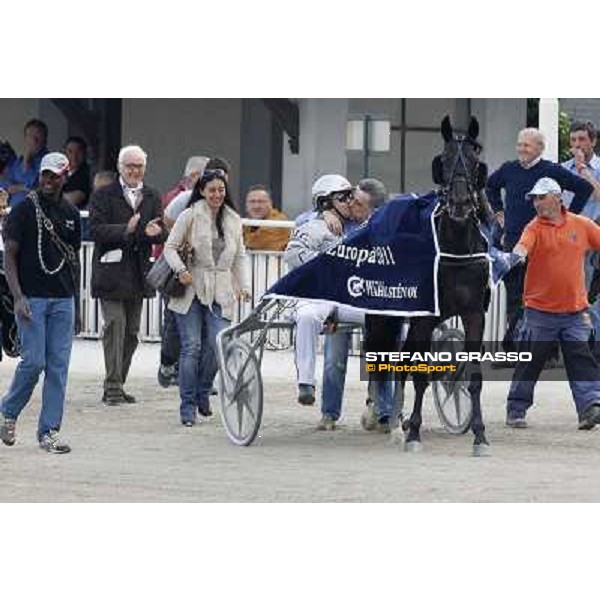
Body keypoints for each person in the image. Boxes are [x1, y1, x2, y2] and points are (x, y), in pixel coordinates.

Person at [0, 152, 81, 453]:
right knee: (33, 362)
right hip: (31, 298)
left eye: (55, 175)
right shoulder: (23, 210)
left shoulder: (71, 214)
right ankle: (8, 410)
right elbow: (9, 255)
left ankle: (49, 431)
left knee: (58, 368)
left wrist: (78, 306)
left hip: (63, 299)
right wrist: (18, 296)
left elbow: (74, 263)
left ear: (65, 177)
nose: (48, 180)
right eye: (45, 174)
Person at [486, 128, 594, 352]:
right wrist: (498, 212)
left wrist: (567, 218)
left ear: (539, 149)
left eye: (526, 145)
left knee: (542, 298)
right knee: (516, 297)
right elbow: (490, 186)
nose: (521, 149)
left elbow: (584, 188)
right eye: (519, 144)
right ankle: (518, 348)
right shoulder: (508, 169)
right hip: (515, 243)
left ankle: (546, 350)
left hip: (546, 245)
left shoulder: (551, 170)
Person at [505, 177, 600, 430]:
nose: (536, 203)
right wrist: (512, 259)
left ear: (557, 198)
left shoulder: (581, 225)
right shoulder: (533, 227)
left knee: (581, 357)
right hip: (539, 311)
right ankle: (516, 407)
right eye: (534, 198)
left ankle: (590, 407)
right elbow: (522, 248)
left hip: (575, 310)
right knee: (530, 362)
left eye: (540, 197)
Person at [163, 169, 250, 426]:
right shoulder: (190, 215)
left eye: (221, 190)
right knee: (192, 347)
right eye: (211, 190)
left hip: (221, 288)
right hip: (191, 288)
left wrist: (242, 284)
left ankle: (203, 391)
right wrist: (181, 270)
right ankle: (187, 405)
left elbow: (240, 256)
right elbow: (170, 247)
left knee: (217, 344)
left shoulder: (233, 219)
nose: (216, 194)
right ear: (201, 190)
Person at [89, 145, 167, 406]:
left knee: (132, 333)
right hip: (110, 273)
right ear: (120, 168)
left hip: (138, 273)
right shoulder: (103, 195)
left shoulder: (153, 195)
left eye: (139, 166)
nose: (134, 170)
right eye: (130, 166)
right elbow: (96, 231)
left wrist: (155, 233)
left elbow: (158, 231)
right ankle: (112, 386)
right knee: (115, 325)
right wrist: (126, 229)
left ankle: (117, 382)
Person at [319, 178, 395, 432]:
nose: (351, 203)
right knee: (333, 360)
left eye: (358, 202)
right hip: (341, 301)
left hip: (373, 303)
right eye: (350, 198)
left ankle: (385, 411)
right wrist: (325, 212)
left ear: (373, 209)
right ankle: (329, 414)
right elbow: (307, 219)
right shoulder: (338, 219)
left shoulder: (385, 229)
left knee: (384, 351)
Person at [284, 174, 365, 410]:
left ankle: (384, 397)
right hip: (316, 296)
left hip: (348, 298)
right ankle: (306, 383)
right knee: (308, 317)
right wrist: (326, 265)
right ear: (326, 203)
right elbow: (292, 254)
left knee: (384, 318)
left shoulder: (359, 226)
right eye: (344, 197)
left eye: (351, 196)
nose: (350, 202)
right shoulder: (313, 226)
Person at [4, 119, 49, 207]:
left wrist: (27, 160)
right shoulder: (18, 162)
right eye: (30, 135)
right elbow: (6, 187)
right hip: (14, 211)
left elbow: (32, 186)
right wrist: (22, 187)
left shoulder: (49, 161)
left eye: (38, 135)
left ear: (45, 139)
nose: (34, 139)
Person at [243, 185, 291, 251]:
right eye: (252, 202)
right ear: (246, 205)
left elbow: (259, 243)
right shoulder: (246, 223)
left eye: (261, 202)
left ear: (270, 204)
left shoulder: (279, 222)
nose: (256, 206)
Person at [62, 136, 91, 209]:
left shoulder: (88, 173)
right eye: (70, 151)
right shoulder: (60, 171)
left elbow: (75, 199)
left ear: (84, 153)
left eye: (78, 152)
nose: (74, 156)